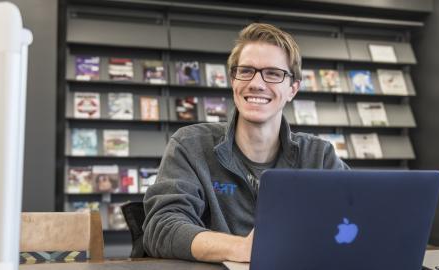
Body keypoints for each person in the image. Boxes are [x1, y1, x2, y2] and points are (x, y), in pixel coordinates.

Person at [142, 23, 349, 263]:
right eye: (246, 70)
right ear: (233, 80)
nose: (257, 83)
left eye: (273, 73)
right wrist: (241, 248)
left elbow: (356, 217)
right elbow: (162, 227)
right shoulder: (189, 145)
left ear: (293, 89)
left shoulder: (319, 156)